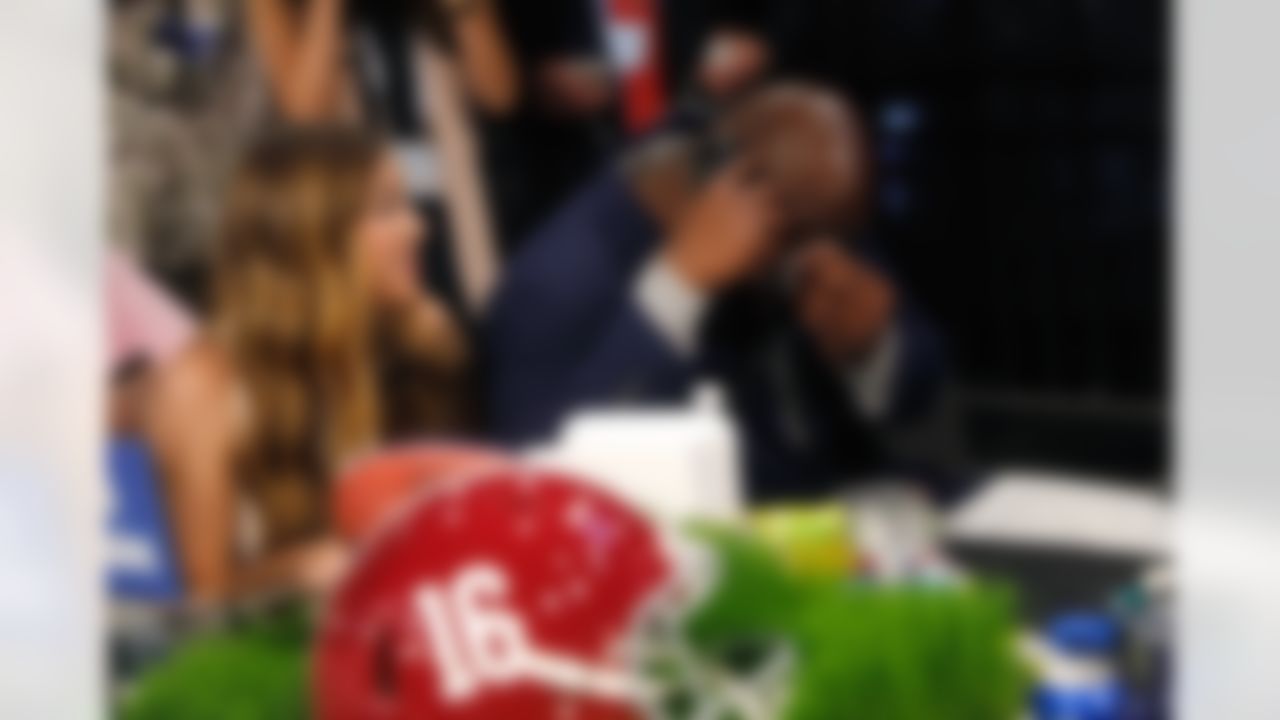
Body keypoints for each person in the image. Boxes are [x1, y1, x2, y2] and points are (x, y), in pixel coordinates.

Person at [486, 82, 961, 501]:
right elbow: (547, 482)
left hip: (856, 514)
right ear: (726, 187)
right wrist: (675, 290)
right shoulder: (556, 281)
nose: (822, 261)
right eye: (797, 242)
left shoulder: (810, 200)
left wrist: (872, 350)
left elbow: (922, 382)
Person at [148, 127, 471, 605]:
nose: (416, 228)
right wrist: (301, 568)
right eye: (387, 210)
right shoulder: (204, 383)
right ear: (311, 233)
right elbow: (203, 597)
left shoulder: (423, 338)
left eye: (406, 205)